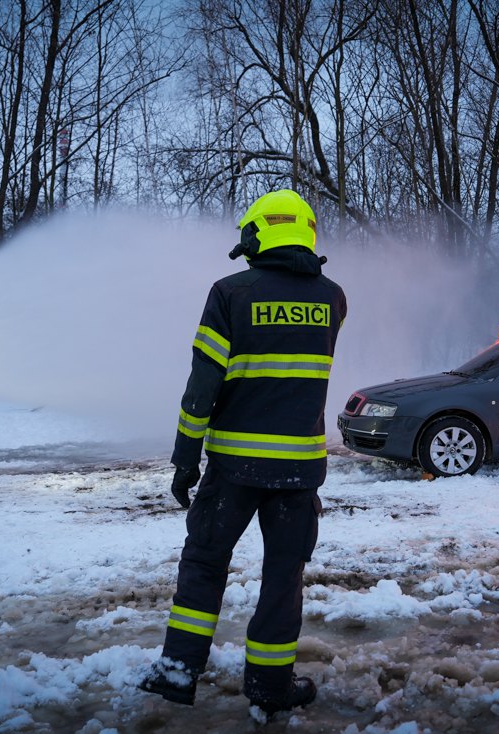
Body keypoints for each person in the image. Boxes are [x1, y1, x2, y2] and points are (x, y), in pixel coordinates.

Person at [139, 189, 346, 715]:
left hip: (232, 468)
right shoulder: (332, 299)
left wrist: (186, 459)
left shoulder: (230, 294)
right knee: (283, 578)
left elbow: (202, 385)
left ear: (259, 234)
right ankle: (270, 688)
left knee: (205, 563)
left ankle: (178, 670)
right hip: (298, 474)